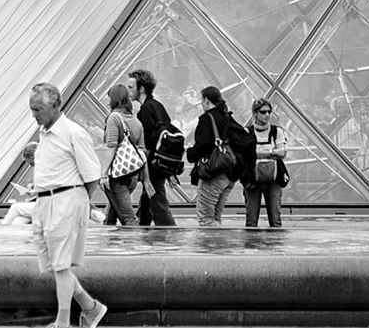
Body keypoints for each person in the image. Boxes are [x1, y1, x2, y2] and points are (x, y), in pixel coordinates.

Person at [27, 82, 106, 328]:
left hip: (65, 201)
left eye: (38, 109)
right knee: (53, 265)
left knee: (60, 265)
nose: (34, 114)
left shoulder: (74, 133)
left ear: (55, 105)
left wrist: (78, 201)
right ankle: (91, 308)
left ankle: (62, 325)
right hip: (45, 202)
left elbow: (92, 174)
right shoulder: (44, 134)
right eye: (32, 109)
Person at [187, 86, 255, 227]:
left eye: (201, 100)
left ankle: (215, 247)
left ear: (206, 100)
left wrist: (190, 153)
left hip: (214, 173)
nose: (201, 103)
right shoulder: (226, 116)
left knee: (205, 219)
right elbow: (247, 140)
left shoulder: (207, 119)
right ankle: (220, 248)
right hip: (230, 174)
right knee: (216, 218)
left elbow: (203, 145)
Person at [127, 68, 177, 226]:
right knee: (148, 199)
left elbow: (146, 144)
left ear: (141, 89)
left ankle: (170, 234)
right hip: (162, 162)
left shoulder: (145, 110)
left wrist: (144, 170)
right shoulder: (158, 106)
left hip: (153, 165)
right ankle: (144, 227)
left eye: (130, 87)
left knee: (158, 201)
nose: (128, 91)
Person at [101, 84, 153, 226]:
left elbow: (111, 147)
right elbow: (142, 153)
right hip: (133, 176)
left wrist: (103, 174)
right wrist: (146, 180)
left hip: (119, 176)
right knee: (110, 216)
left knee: (128, 217)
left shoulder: (114, 118)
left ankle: (134, 246)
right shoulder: (137, 122)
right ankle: (111, 246)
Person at [244, 98, 288, 227]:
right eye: (263, 112)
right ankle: (251, 246)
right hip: (252, 179)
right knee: (251, 220)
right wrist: (272, 152)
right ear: (255, 114)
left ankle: (275, 246)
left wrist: (259, 152)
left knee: (276, 219)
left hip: (274, 180)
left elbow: (283, 153)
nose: (267, 115)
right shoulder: (247, 132)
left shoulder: (277, 131)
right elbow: (247, 154)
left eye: (269, 112)